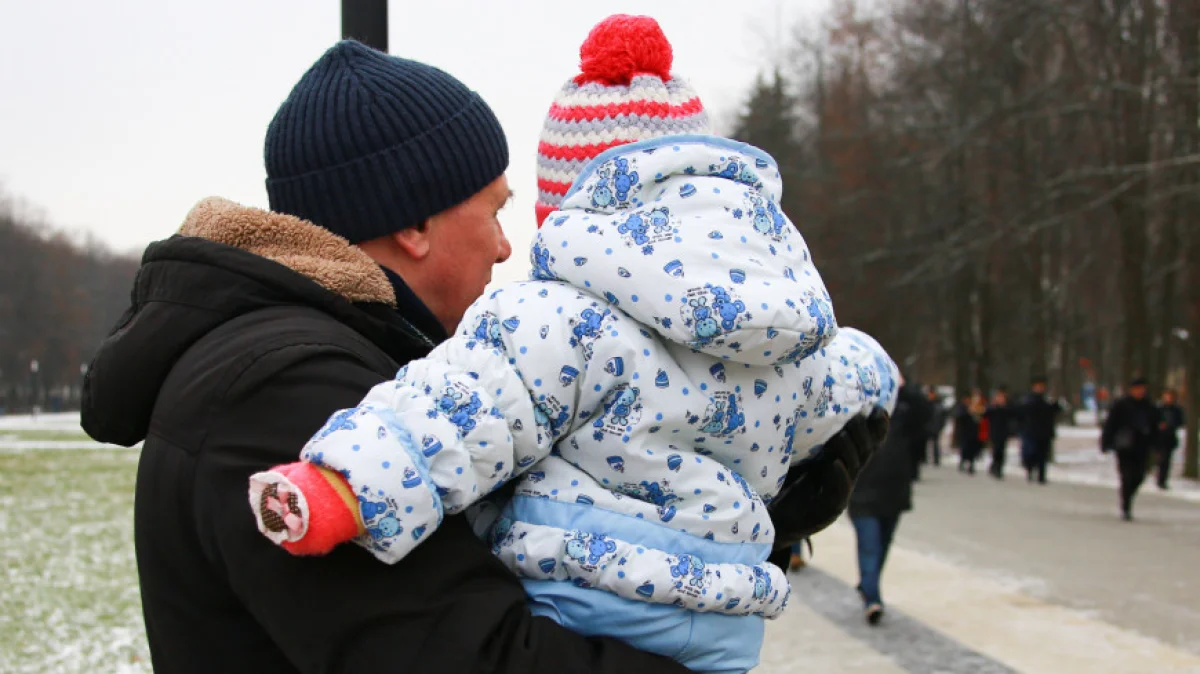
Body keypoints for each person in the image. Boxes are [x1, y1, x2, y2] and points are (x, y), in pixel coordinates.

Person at [246, 16, 896, 674]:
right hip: (727, 624)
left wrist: (337, 489)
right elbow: (850, 379)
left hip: (583, 597)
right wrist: (878, 384)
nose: (506, 245)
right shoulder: (790, 317)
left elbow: (456, 413)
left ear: (571, 209)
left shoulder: (556, 318)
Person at [80, 39, 705, 674]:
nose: (503, 247)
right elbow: (471, 657)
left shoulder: (318, 362)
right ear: (414, 224)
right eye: (494, 209)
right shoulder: (292, 391)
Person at [849, 380, 921, 625]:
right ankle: (873, 599)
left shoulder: (902, 418)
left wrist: (905, 386)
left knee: (882, 545)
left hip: (894, 494)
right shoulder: (855, 417)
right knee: (870, 546)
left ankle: (868, 584)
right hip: (862, 496)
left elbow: (927, 413)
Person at [1102, 377, 1157, 520]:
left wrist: (1156, 443)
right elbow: (1111, 424)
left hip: (1142, 446)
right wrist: (1106, 442)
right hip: (1125, 446)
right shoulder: (1121, 405)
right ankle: (1126, 505)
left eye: (1142, 389)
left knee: (1139, 476)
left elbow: (1155, 426)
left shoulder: (1149, 406)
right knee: (1126, 476)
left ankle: (1128, 495)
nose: (1140, 392)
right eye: (1137, 389)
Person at [1019, 376, 1061, 484]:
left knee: (1043, 454)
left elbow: (1054, 411)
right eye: (1038, 386)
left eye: (1042, 386)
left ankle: (1041, 475)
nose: (1040, 388)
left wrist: (1055, 405)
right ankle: (1030, 469)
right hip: (1032, 431)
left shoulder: (1046, 399)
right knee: (1032, 453)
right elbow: (1026, 412)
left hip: (1044, 432)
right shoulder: (1029, 399)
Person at [1155, 389, 1185, 490]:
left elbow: (1180, 422)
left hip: (1169, 438)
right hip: (1159, 437)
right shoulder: (1159, 408)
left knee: (1166, 460)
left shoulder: (1176, 410)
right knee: (1160, 459)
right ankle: (1159, 477)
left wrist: (1170, 425)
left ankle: (1162, 480)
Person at [985, 387, 1017, 479]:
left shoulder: (1008, 406)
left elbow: (1013, 414)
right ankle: (994, 465)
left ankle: (999, 468)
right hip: (994, 431)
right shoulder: (992, 407)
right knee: (996, 449)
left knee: (1002, 450)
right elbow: (986, 414)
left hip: (1004, 431)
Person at [955, 389, 986, 474]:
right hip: (965, 432)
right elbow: (960, 417)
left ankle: (971, 464)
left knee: (973, 448)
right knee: (965, 447)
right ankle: (963, 460)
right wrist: (968, 412)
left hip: (974, 432)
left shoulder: (978, 407)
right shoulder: (963, 407)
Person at [925, 386, 947, 467]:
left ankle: (936, 459)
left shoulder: (938, 404)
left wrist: (941, 425)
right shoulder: (926, 403)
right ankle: (925, 458)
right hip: (927, 426)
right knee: (925, 443)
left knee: (935, 443)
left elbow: (943, 416)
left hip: (935, 426)